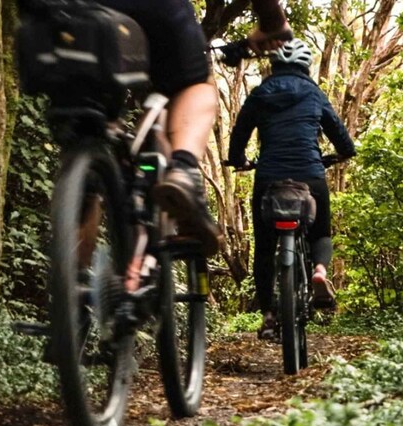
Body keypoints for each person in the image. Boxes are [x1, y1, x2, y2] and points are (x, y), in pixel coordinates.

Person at [93, 0, 291, 257]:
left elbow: (242, 132)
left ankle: (73, 283)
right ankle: (183, 169)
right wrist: (272, 21)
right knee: (195, 86)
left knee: (87, 138)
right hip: (152, 10)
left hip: (61, 13)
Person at [227, 39, 356, 340]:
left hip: (269, 178)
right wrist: (341, 154)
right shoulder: (314, 93)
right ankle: (320, 272)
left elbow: (239, 134)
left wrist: (239, 160)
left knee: (263, 247)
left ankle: (269, 315)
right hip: (310, 176)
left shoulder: (260, 93)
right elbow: (343, 140)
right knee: (321, 232)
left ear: (274, 65)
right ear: (305, 66)